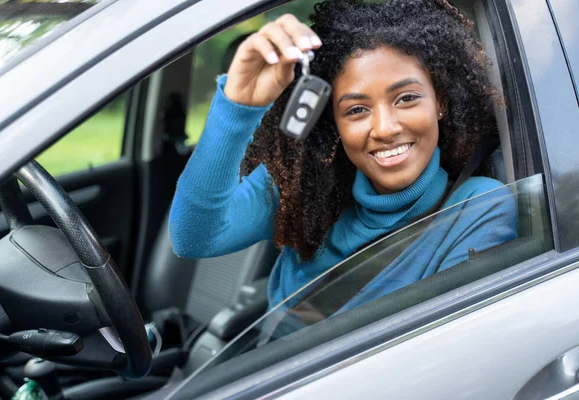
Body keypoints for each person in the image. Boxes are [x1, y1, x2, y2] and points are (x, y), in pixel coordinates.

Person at [169, 0, 517, 317]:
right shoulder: (303, 183)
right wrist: (239, 108)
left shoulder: (478, 209)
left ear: (439, 102)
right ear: (333, 120)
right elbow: (195, 237)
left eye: (407, 98)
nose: (384, 128)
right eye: (357, 109)